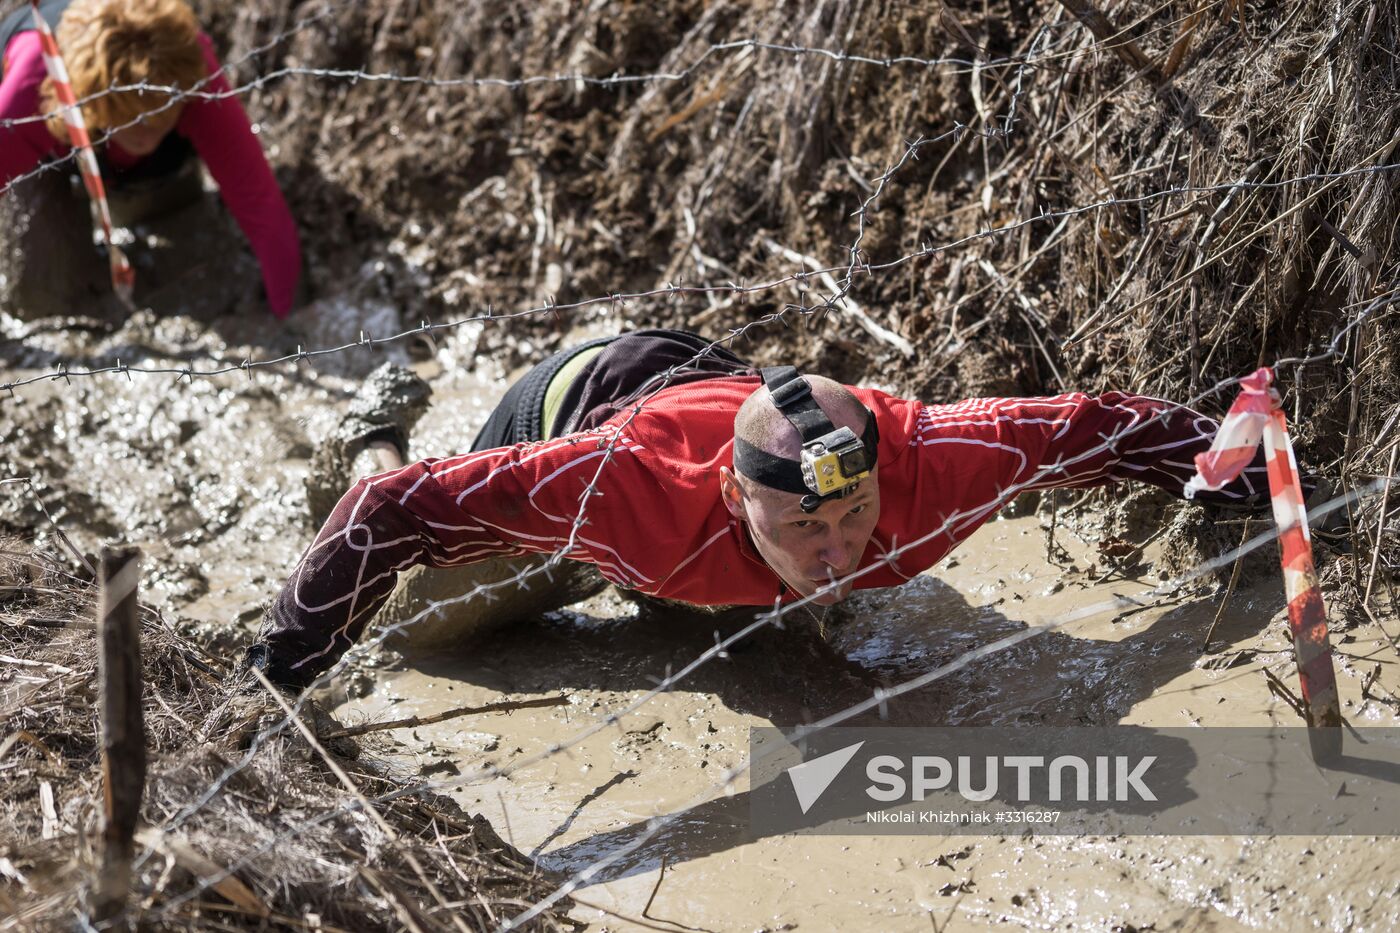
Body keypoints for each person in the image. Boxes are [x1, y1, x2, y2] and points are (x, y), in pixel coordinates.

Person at [246, 328, 1274, 691]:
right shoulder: (618, 493)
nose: (836, 551)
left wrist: (1242, 472)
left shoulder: (926, 461)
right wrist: (279, 673)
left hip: (710, 389)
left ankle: (725, 596)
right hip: (572, 410)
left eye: (852, 519)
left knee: (784, 634)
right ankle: (373, 420)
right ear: (737, 500)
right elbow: (397, 507)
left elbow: (1080, 427)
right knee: (426, 634)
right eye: (805, 531)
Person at [0, 0, 301, 317]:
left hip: (143, 162)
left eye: (158, 115)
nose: (145, 132)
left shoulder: (189, 68)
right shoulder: (33, 85)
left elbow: (260, 203)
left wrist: (291, 322)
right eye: (131, 118)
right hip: (50, 146)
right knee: (41, 288)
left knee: (177, 234)